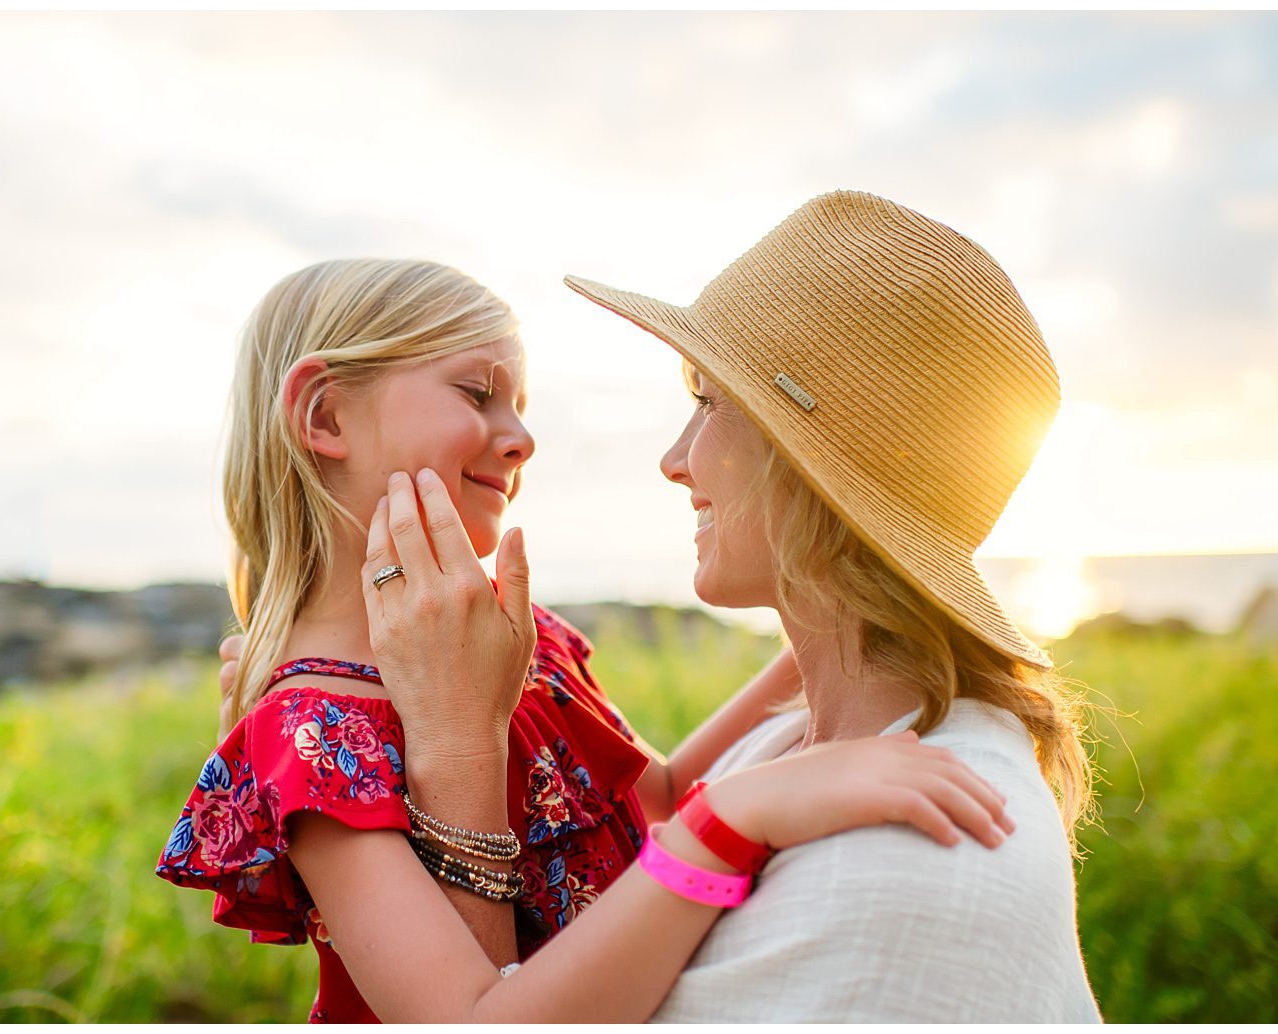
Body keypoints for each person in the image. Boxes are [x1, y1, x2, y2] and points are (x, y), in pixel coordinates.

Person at [157, 257, 1014, 1023]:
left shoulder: (518, 643)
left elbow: (662, 792)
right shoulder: (309, 737)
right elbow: (474, 1017)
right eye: (476, 393)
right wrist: (733, 819)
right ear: (326, 415)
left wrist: (850, 598)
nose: (522, 438)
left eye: (519, 406)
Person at [364, 190, 1102, 1021]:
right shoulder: (824, 735)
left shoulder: (898, 875)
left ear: (803, 464)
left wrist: (457, 737)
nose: (674, 460)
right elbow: (674, 795)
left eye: (709, 402)